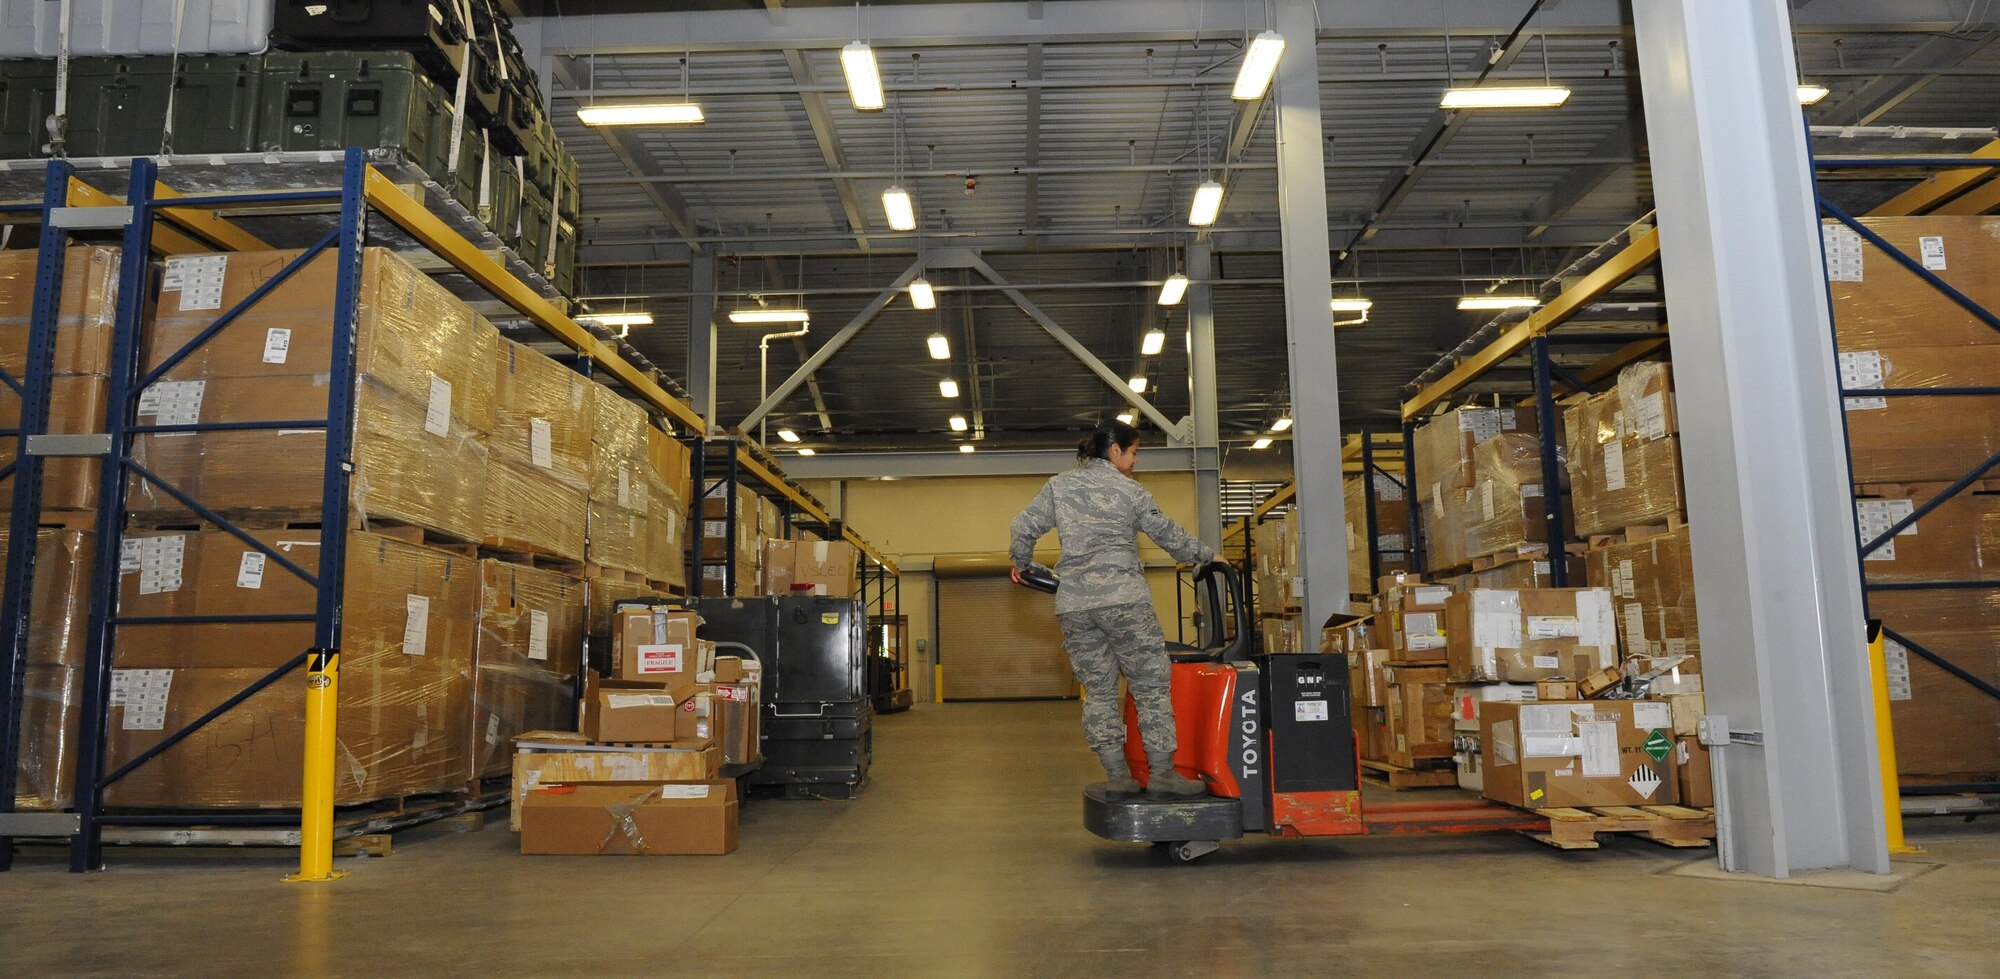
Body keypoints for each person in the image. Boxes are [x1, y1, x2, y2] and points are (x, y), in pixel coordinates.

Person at [1009, 420, 1224, 797]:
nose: (1135, 461)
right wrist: (1208, 555)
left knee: (1099, 691)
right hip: (1125, 601)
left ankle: (1117, 776)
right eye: (1134, 452)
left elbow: (1023, 525)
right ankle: (1162, 774)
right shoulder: (1130, 492)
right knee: (1151, 685)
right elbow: (1167, 533)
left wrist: (1021, 562)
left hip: (1075, 605)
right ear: (1115, 451)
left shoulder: (1058, 486)